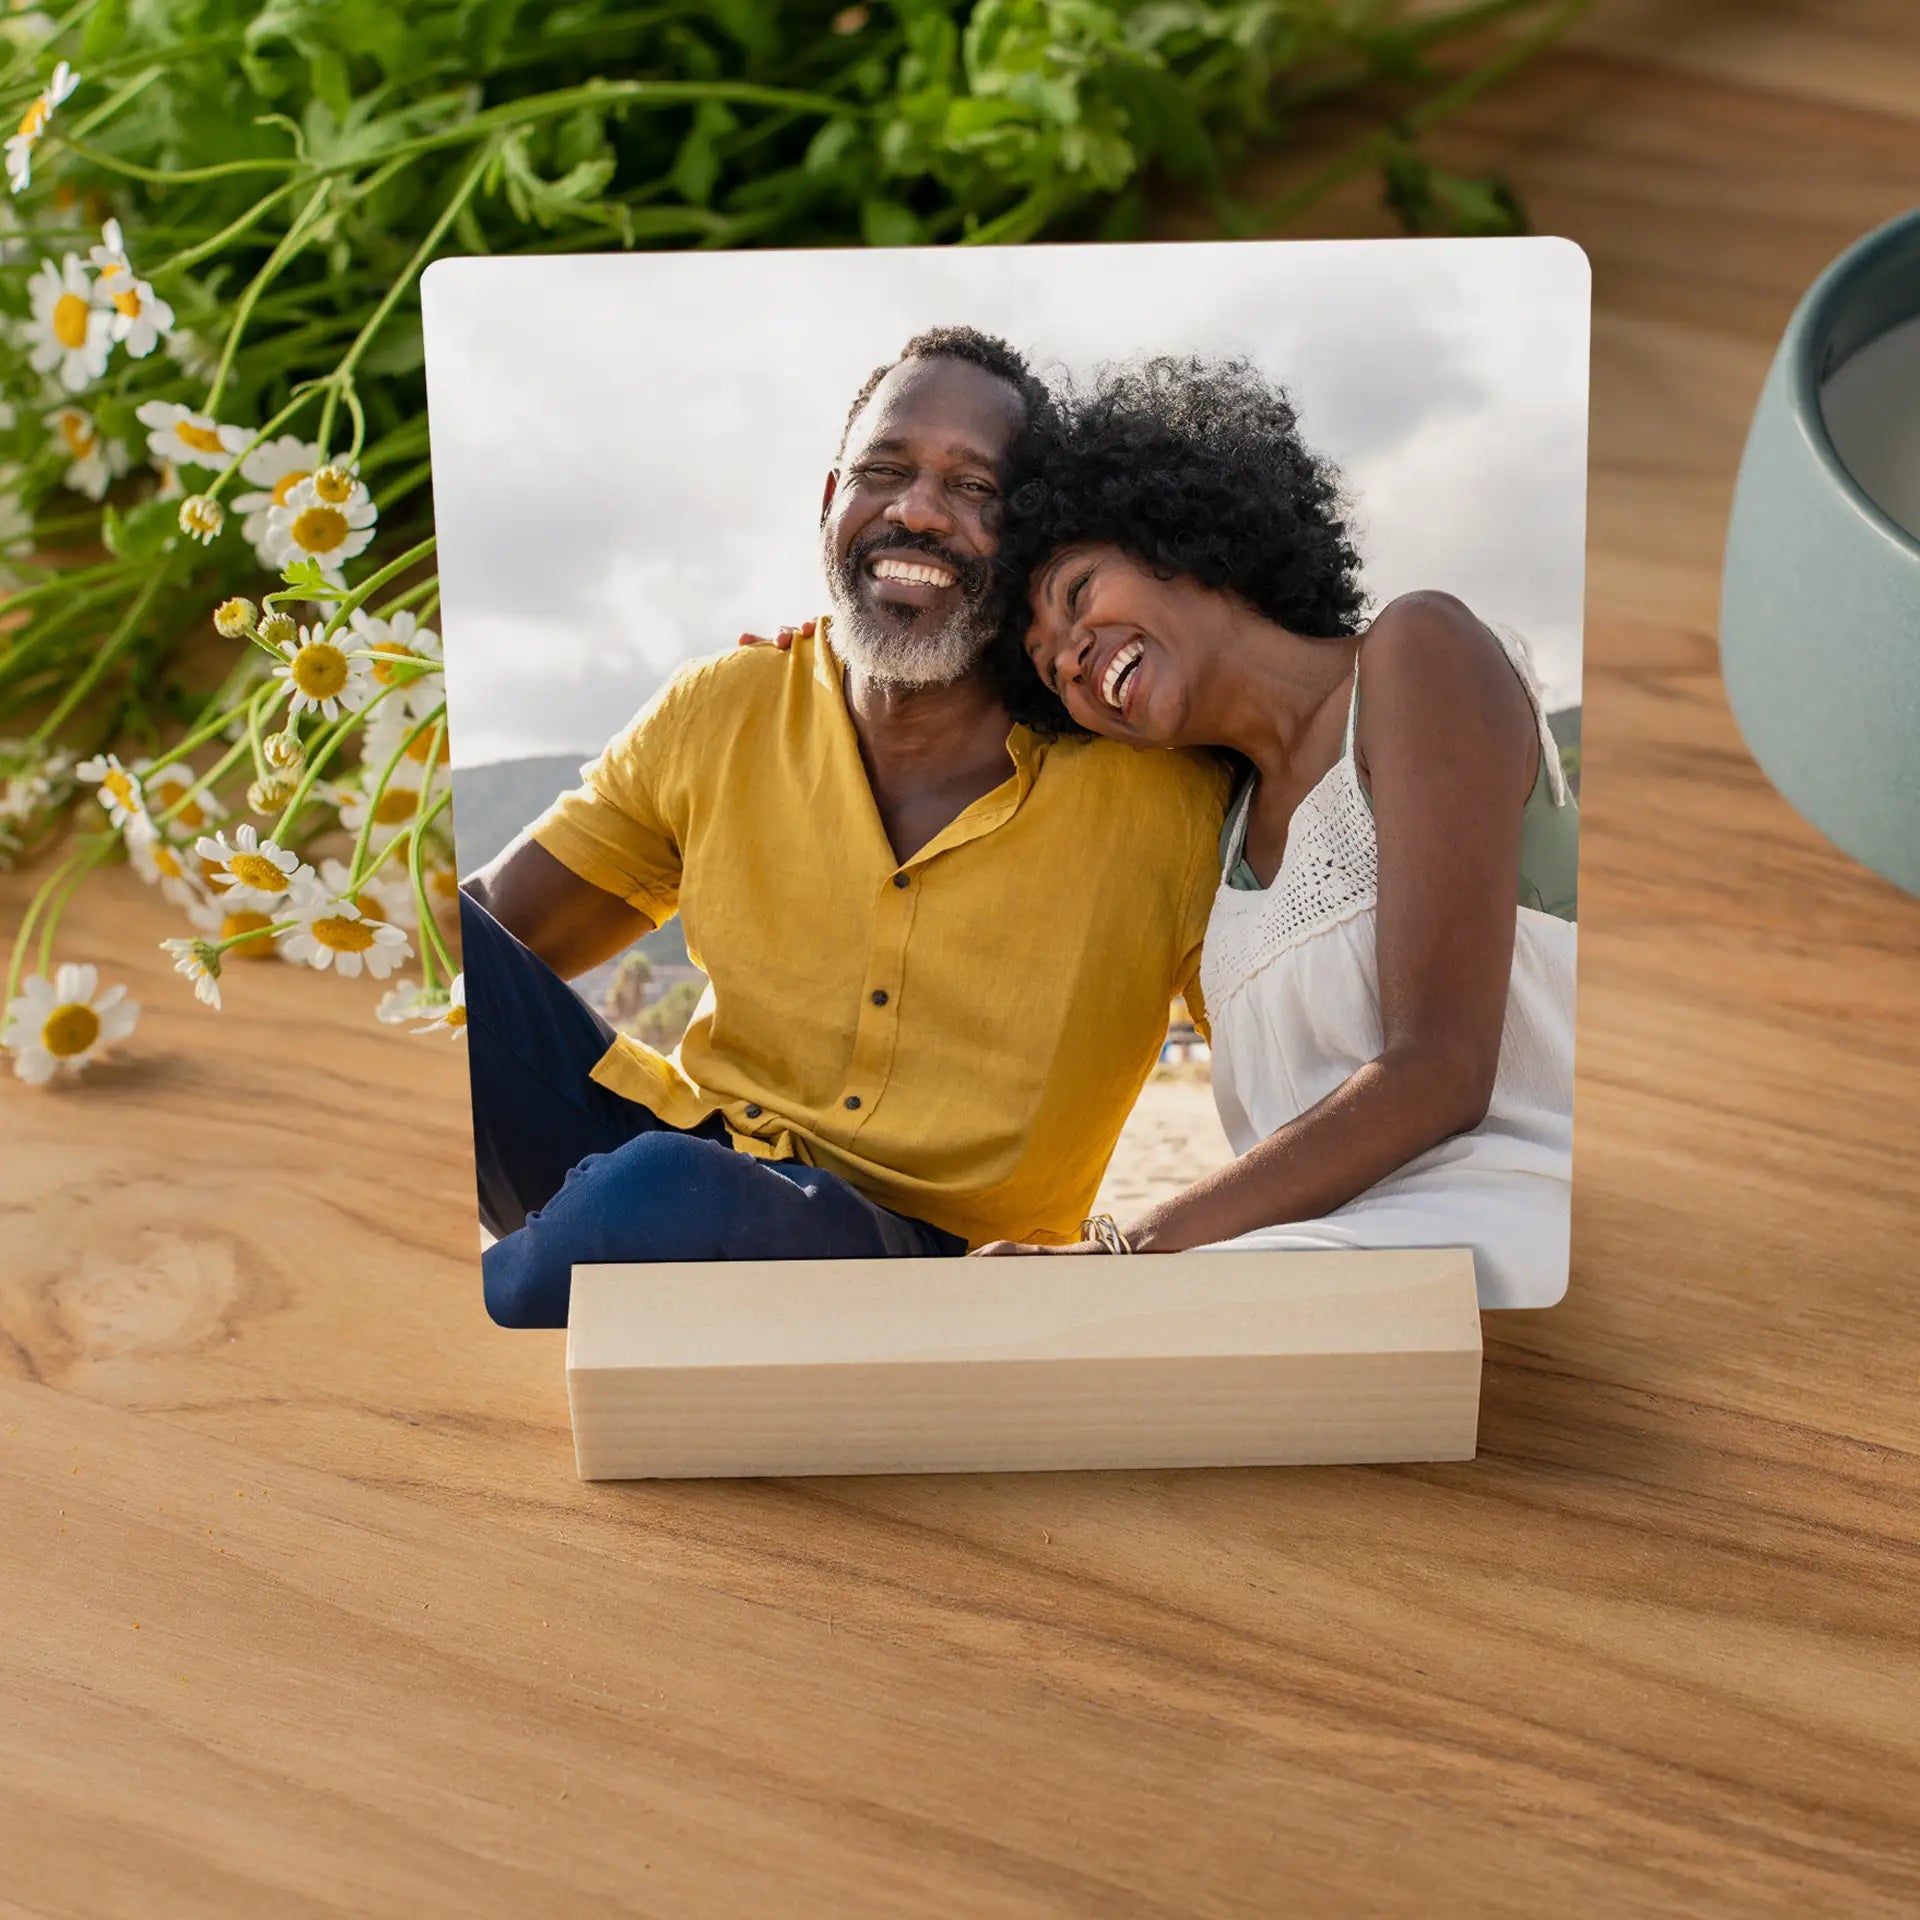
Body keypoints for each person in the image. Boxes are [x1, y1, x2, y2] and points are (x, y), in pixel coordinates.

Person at [460, 328, 1227, 1327]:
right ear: (831, 503)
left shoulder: (1164, 793)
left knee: (657, 1194)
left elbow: (1295, 1072)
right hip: (675, 1152)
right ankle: (554, 1253)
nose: (918, 510)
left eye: (975, 487)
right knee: (441, 944)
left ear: (1034, 536)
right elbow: (490, 942)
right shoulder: (725, 705)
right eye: (884, 471)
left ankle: (458, 1312)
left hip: (934, 1271)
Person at [973, 355, 1578, 1308]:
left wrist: (1125, 1251)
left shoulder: (1416, 654)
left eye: (1079, 591)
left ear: (1173, 537)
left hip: (1515, 1226)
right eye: (1051, 673)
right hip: (1328, 1267)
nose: (1074, 656)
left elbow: (1441, 1072)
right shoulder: (1227, 850)